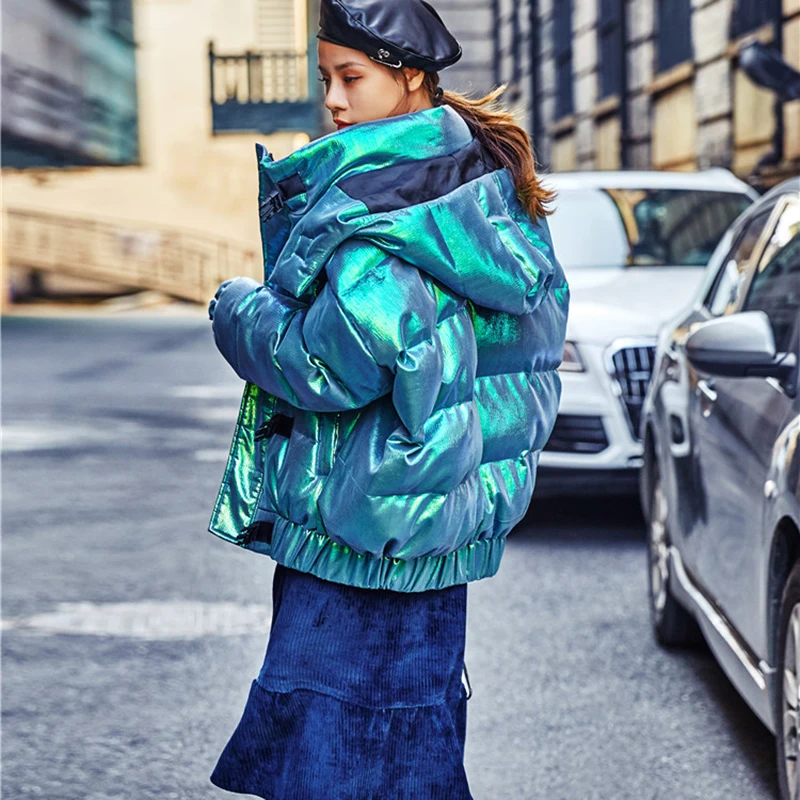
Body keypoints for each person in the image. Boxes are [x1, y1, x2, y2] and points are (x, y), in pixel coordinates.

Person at [206, 1, 569, 797]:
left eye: (352, 77)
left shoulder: (382, 201)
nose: (333, 100)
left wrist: (236, 308)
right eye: (325, 78)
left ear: (409, 77)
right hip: (433, 528)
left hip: (362, 532)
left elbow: (330, 364)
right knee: (411, 749)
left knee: (334, 761)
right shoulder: (483, 184)